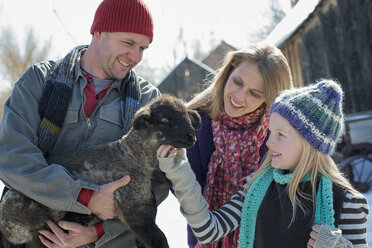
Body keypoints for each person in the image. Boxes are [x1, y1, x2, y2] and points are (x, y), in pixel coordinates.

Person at [0, 0, 169, 247]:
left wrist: (99, 231)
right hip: (33, 235)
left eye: (143, 48)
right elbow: (12, 156)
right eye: (128, 43)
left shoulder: (148, 101)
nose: (135, 57)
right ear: (98, 31)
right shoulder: (39, 81)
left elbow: (157, 184)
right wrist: (83, 196)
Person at [158, 79, 369, 248]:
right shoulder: (256, 185)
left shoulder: (347, 202)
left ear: (310, 144)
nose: (269, 142)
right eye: (270, 132)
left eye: (280, 134)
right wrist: (178, 168)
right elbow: (207, 230)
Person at [181, 43, 293, 247]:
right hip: (206, 238)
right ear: (228, 72)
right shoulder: (195, 124)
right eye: (237, 82)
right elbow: (188, 195)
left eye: (255, 93)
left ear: (270, 97)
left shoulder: (279, 133)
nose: (239, 96)